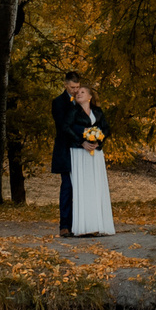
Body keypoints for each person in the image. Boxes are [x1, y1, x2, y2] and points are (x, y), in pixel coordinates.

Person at [67, 84, 116, 237]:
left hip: (95, 153)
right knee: (83, 186)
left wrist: (98, 141)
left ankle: (99, 225)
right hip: (79, 152)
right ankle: (84, 226)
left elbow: (106, 129)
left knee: (96, 185)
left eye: (82, 92)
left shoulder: (98, 112)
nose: (78, 94)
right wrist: (81, 142)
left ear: (89, 96)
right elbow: (65, 128)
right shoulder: (72, 111)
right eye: (77, 92)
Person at [51, 71, 90, 236]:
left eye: (78, 87)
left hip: (82, 151)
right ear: (66, 85)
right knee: (67, 186)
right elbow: (63, 127)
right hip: (66, 150)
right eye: (72, 87)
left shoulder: (83, 101)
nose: (75, 90)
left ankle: (82, 224)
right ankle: (65, 225)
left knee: (82, 187)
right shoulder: (58, 102)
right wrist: (81, 138)